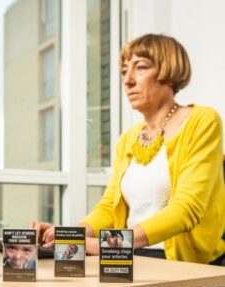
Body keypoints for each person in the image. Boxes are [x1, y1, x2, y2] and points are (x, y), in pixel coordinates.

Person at [29, 33, 225, 265]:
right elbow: (109, 209)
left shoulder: (202, 120)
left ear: (170, 72)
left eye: (140, 68)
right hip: (129, 255)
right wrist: (68, 235)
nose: (128, 80)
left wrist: (110, 243)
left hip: (183, 265)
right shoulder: (128, 139)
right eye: (124, 71)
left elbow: (186, 209)